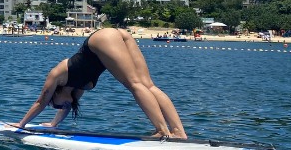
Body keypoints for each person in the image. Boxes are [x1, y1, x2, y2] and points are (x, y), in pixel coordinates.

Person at [12, 27, 187, 139]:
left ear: (55, 94)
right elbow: (66, 106)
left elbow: (40, 102)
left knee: (135, 84)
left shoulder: (57, 75)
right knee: (147, 86)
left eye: (56, 106)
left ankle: (163, 131)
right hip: (120, 35)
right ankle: (178, 133)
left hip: (101, 39)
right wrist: (53, 124)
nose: (61, 106)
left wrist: (21, 125)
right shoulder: (78, 89)